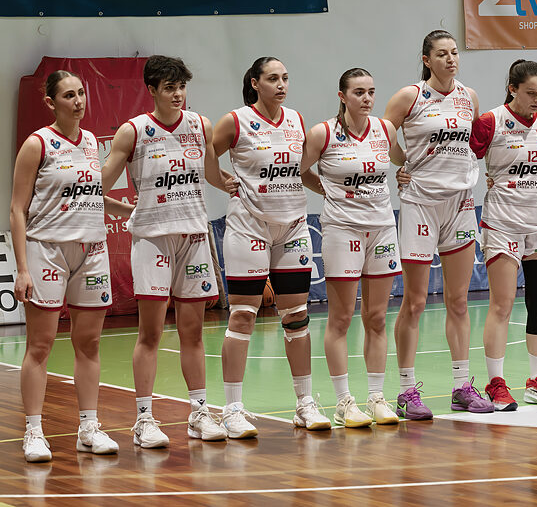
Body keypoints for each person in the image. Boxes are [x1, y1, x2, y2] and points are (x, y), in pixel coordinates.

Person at [102, 55, 234, 447]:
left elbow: (211, 173)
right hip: (153, 239)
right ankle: (144, 419)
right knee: (151, 333)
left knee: (194, 332)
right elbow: (97, 185)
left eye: (182, 87)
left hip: (193, 237)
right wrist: (123, 209)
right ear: (152, 90)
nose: (178, 94)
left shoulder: (200, 125)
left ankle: (199, 413)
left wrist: (236, 184)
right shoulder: (133, 132)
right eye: (169, 88)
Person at [212, 57, 330, 437]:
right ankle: (232, 409)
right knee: (243, 316)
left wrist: (330, 189)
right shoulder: (236, 121)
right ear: (255, 83)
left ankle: (305, 404)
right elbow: (202, 155)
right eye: (273, 78)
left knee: (297, 316)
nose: (281, 85)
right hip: (248, 226)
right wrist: (222, 180)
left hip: (293, 226)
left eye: (285, 78)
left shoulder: (296, 120)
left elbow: (300, 170)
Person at [11, 70, 119, 461]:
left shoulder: (90, 141)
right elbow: (17, 210)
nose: (78, 101)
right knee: (40, 345)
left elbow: (93, 194)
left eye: (81, 93)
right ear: (51, 102)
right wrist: (23, 269)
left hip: (92, 250)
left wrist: (131, 210)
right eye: (69, 95)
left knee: (89, 343)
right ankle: (34, 431)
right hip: (47, 251)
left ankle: (88, 428)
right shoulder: (37, 144)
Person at [382, 30, 488, 418]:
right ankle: (406, 391)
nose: (451, 59)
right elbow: (380, 135)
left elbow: (474, 145)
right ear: (427, 60)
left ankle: (462, 386)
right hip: (420, 204)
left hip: (460, 204)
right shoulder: (409, 97)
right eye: (442, 54)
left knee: (459, 301)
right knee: (415, 302)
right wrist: (402, 163)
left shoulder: (469, 97)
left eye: (454, 52)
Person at [300, 68, 401, 426]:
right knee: (341, 318)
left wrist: (406, 174)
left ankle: (376, 397)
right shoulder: (322, 133)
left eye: (371, 91)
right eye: (359, 92)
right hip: (342, 230)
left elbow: (401, 161)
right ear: (342, 96)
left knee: (377, 317)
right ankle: (344, 401)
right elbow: (298, 169)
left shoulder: (385, 130)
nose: (367, 98)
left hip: (382, 229)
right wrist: (325, 189)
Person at [471, 59, 537, 411]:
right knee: (502, 305)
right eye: (530, 93)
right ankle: (496, 384)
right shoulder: (490, 121)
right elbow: (462, 160)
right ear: (512, 88)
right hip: (503, 223)